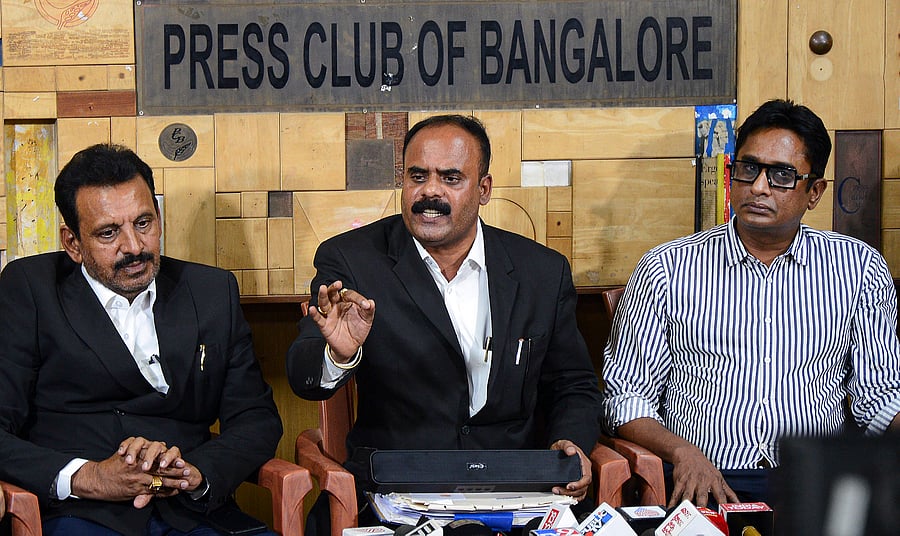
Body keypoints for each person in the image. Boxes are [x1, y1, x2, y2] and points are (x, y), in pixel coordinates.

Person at [286, 115, 602, 528]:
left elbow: (573, 383)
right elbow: (302, 370)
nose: (430, 191)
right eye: (418, 176)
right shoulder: (352, 260)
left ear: (483, 189)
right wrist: (337, 354)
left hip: (516, 491)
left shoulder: (541, 272)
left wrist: (572, 440)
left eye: (451, 178)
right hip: (397, 493)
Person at [601, 99, 900, 509]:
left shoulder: (858, 269)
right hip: (702, 478)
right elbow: (626, 397)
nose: (759, 187)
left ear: (814, 192)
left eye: (781, 175)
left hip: (815, 482)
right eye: (748, 168)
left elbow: (878, 398)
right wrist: (682, 453)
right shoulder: (666, 268)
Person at [0, 144, 283, 535]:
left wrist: (196, 473)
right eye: (108, 233)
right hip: (83, 516)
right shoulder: (31, 289)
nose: (133, 247)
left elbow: (256, 419)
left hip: (193, 513)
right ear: (73, 243)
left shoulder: (210, 291)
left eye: (144, 223)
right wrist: (89, 477)